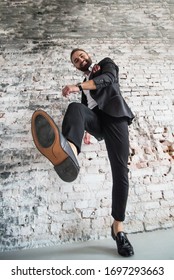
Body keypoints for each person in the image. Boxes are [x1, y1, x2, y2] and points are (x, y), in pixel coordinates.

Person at [31, 48, 135, 257]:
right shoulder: (85, 88)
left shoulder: (105, 64)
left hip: (115, 119)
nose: (80, 60)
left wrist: (77, 86)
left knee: (120, 173)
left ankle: (118, 228)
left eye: (81, 56)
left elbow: (107, 80)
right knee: (76, 108)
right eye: (76, 60)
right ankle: (71, 152)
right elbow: (85, 110)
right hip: (98, 121)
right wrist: (85, 129)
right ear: (75, 66)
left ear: (88, 56)